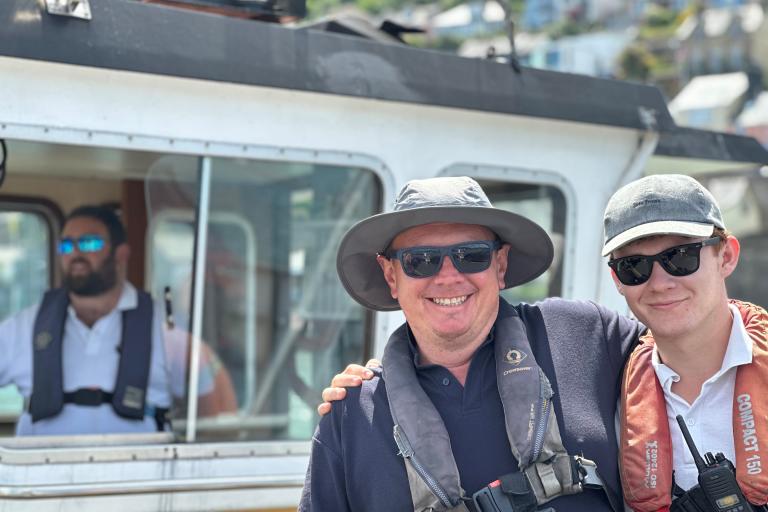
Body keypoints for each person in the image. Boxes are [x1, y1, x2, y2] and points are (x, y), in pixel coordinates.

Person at [300, 176, 644, 511]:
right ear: (391, 275)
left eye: (471, 256)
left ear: (500, 264)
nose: (448, 277)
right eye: (421, 261)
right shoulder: (351, 415)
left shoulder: (586, 335)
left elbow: (686, 349)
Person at [602, 175, 768, 511]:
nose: (660, 283)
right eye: (634, 266)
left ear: (726, 257)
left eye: (680, 257)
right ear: (618, 280)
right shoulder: (608, 397)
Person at [0, 205, 227, 436]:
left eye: (89, 243)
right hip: (39, 469)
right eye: (66, 245)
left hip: (140, 470)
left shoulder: (165, 328)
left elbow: (210, 415)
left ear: (121, 254)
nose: (75, 254)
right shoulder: (24, 326)